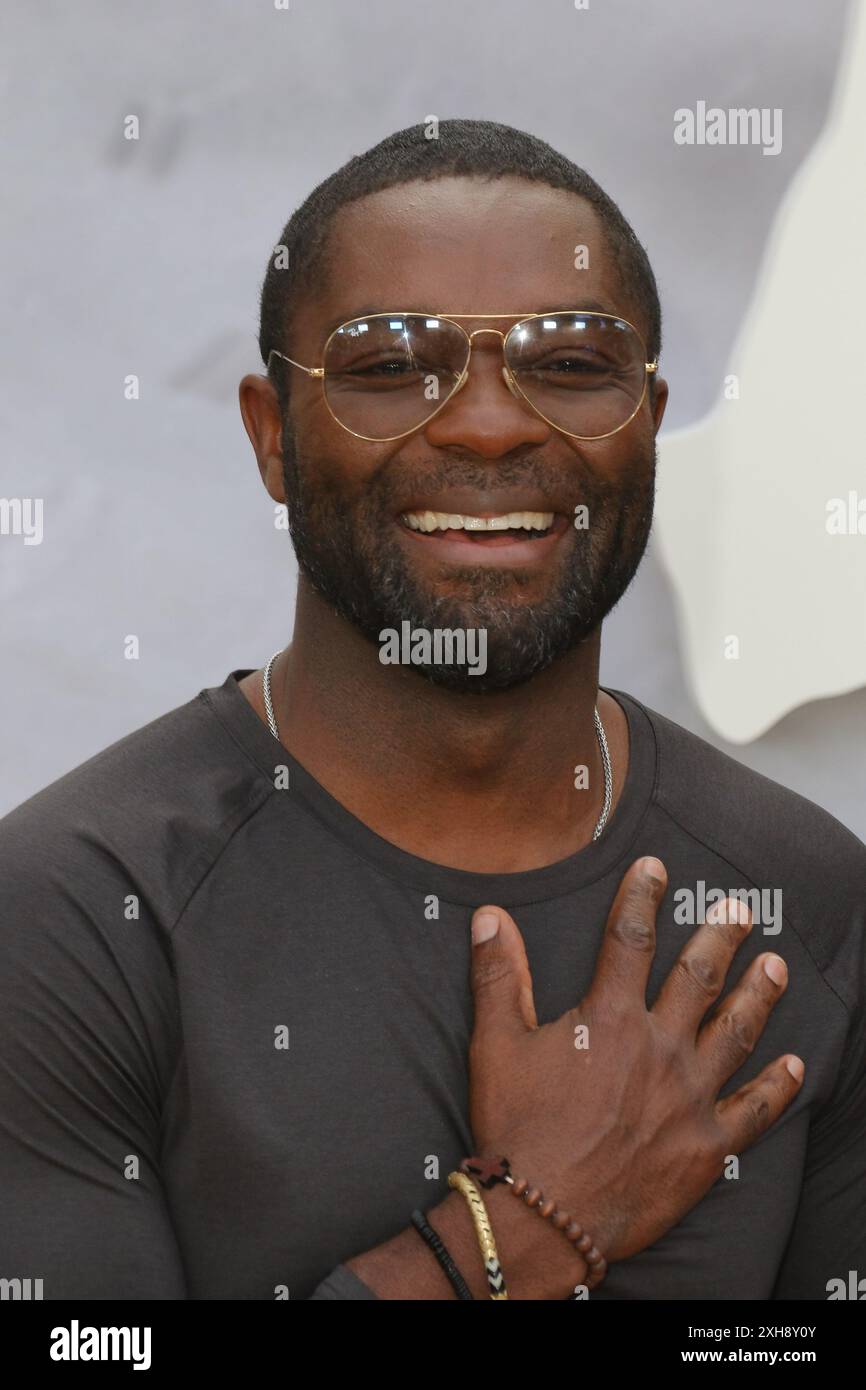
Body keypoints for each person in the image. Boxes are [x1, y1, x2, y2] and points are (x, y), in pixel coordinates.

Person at [1, 120, 864, 1302]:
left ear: (648, 420)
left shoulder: (805, 899)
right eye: (389, 365)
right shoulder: (74, 909)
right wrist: (512, 1232)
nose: (487, 423)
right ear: (270, 435)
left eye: (566, 364)